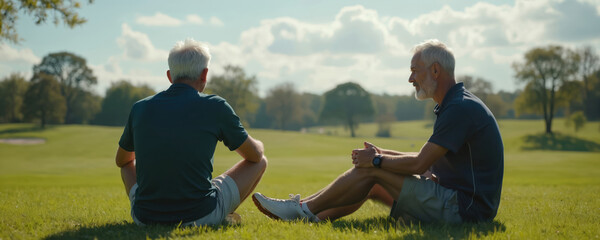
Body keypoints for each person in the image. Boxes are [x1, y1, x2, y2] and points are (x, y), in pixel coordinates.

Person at [252, 39, 503, 223]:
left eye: (415, 70)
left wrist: (376, 159)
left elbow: (418, 164)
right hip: (460, 202)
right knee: (372, 180)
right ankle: (308, 215)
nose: (410, 79)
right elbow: (427, 162)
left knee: (372, 170)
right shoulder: (456, 103)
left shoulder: (458, 108)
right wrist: (381, 153)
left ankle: (301, 210)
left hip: (465, 211)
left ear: (435, 70)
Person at [115, 39, 268, 226]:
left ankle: (149, 207)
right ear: (205, 74)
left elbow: (121, 161)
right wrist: (259, 144)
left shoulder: (140, 108)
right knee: (261, 161)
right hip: (200, 215)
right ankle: (222, 215)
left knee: (128, 165)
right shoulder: (215, 106)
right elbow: (254, 155)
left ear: (170, 76)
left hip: (144, 219)